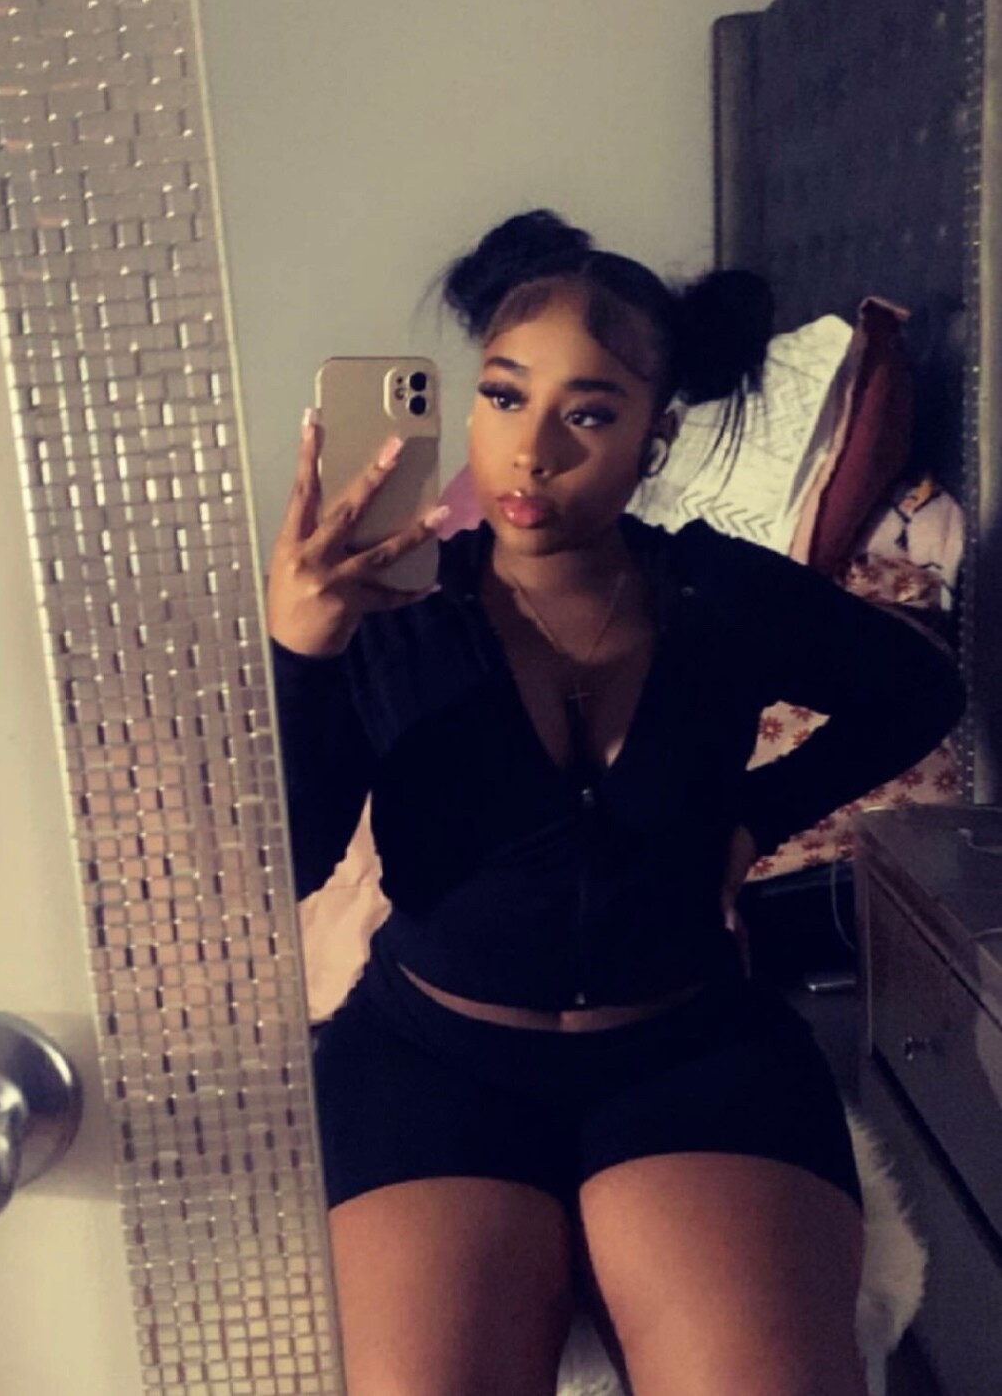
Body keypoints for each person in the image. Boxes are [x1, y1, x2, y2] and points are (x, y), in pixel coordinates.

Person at [266, 211, 965, 1396]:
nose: (531, 451)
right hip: (431, 1065)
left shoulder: (722, 592)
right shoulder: (392, 614)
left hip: (691, 1055)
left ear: (657, 435)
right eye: (503, 396)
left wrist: (758, 817)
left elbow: (919, 690)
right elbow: (290, 860)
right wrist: (300, 654)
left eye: (587, 414)